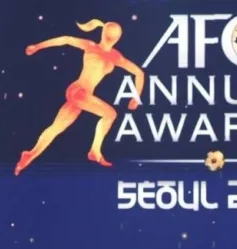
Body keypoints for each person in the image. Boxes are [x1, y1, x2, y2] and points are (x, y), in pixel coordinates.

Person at [15, 18, 144, 173]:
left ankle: (30, 155)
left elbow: (139, 73)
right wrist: (38, 46)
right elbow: (66, 40)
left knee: (57, 127)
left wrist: (136, 97)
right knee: (110, 114)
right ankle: (95, 151)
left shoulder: (113, 56)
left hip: (82, 94)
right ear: (116, 38)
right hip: (79, 92)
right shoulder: (93, 47)